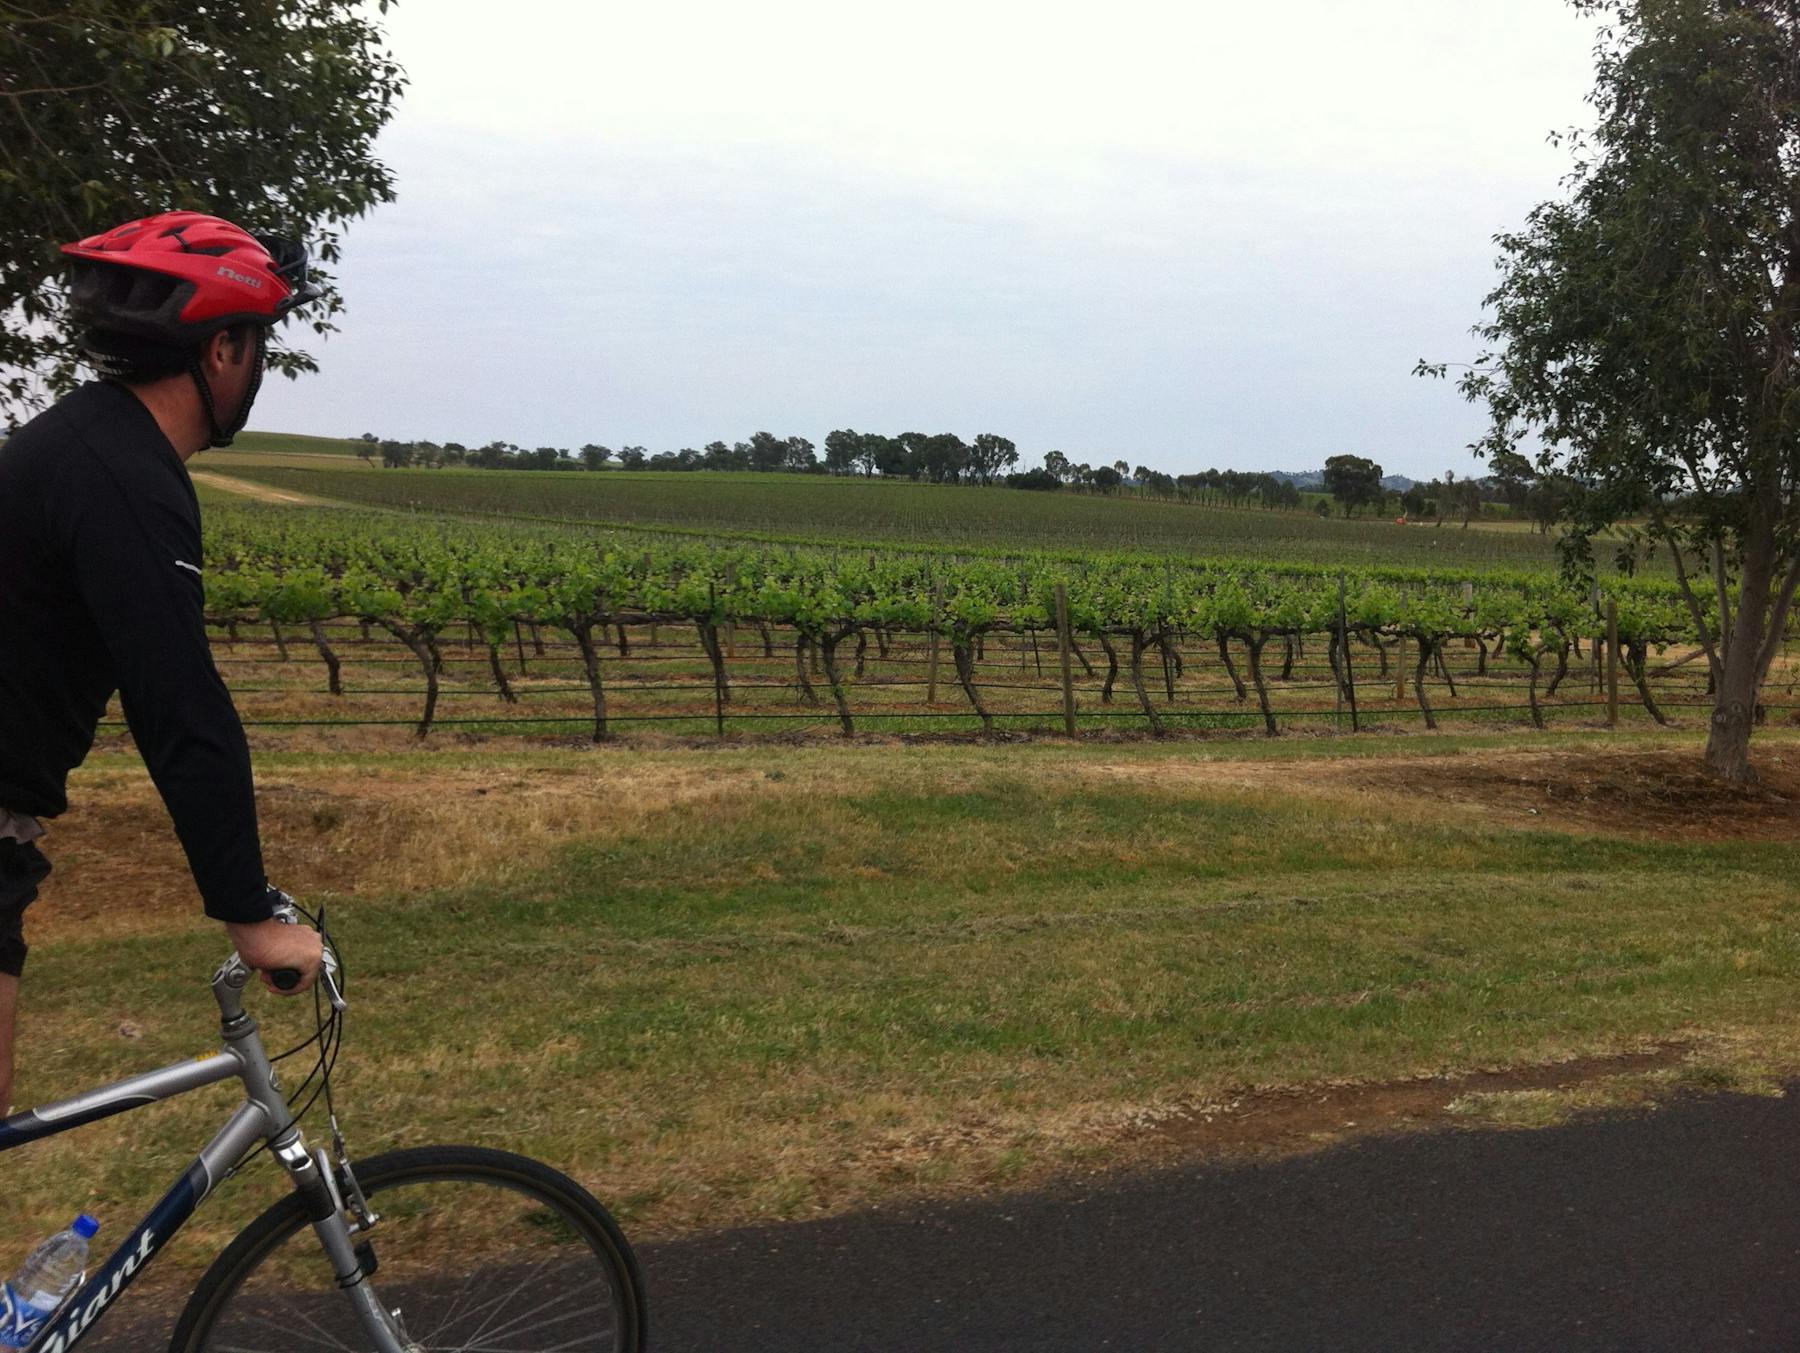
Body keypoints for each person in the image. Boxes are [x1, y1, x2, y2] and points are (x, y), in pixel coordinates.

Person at [0, 211, 328, 1113]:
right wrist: (250, 915)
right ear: (223, 349)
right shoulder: (127, 478)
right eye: (256, 344)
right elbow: (180, 704)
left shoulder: (82, 440)